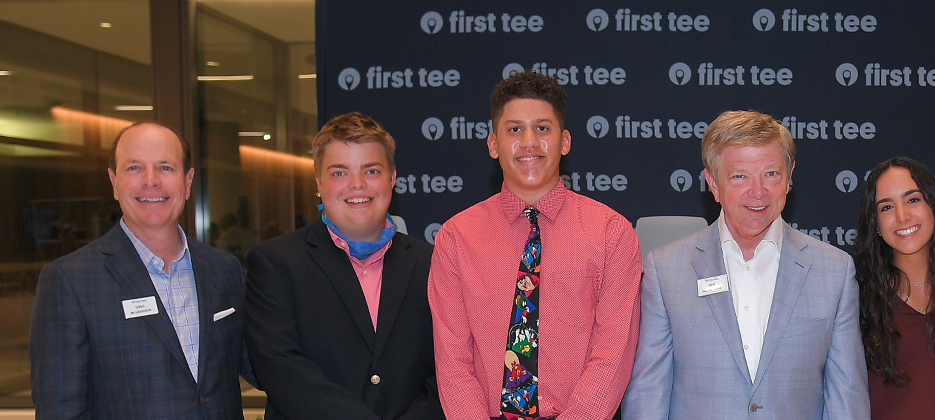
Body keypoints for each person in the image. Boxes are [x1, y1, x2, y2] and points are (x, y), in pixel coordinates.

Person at [623, 110, 869, 420]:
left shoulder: (835, 271)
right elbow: (649, 392)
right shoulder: (666, 269)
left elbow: (846, 395)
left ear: (790, 176)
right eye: (740, 176)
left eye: (771, 174)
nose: (758, 192)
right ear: (713, 183)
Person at [429, 72, 643, 419]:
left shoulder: (611, 234)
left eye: (542, 128)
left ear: (565, 141)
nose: (529, 142)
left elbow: (612, 353)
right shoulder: (456, 238)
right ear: (493, 144)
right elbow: (453, 360)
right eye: (514, 129)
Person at [30, 122, 252, 418]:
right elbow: (60, 410)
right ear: (114, 181)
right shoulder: (71, 280)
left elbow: (262, 365)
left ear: (187, 182)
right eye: (134, 168)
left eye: (165, 167)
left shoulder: (224, 270)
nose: (151, 181)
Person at [244, 113, 444, 420]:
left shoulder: (433, 263)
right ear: (319, 184)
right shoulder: (276, 263)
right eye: (339, 173)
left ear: (392, 179)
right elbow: (281, 368)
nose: (357, 184)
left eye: (371, 170)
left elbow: (446, 368)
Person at [853, 157, 935, 419]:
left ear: (933, 207)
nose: (902, 216)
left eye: (913, 199)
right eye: (886, 207)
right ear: (875, 226)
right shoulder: (856, 294)